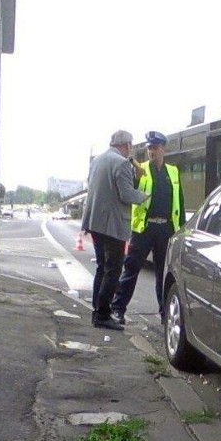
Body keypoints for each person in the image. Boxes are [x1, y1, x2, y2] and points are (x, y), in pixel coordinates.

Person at [111, 130, 185, 324]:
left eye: (155, 148)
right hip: (143, 228)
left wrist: (182, 230)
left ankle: (164, 314)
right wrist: (135, 177)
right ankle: (118, 309)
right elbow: (129, 192)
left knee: (163, 275)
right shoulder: (139, 169)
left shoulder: (173, 172)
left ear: (163, 149)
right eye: (149, 148)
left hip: (166, 230)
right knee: (131, 270)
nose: (151, 151)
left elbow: (180, 203)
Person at [81, 130, 149, 331]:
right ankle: (102, 315)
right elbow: (127, 195)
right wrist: (144, 195)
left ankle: (97, 309)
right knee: (113, 270)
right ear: (126, 145)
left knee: (102, 268)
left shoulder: (97, 161)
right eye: (132, 146)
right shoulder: (121, 163)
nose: (132, 150)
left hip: (95, 223)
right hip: (113, 226)